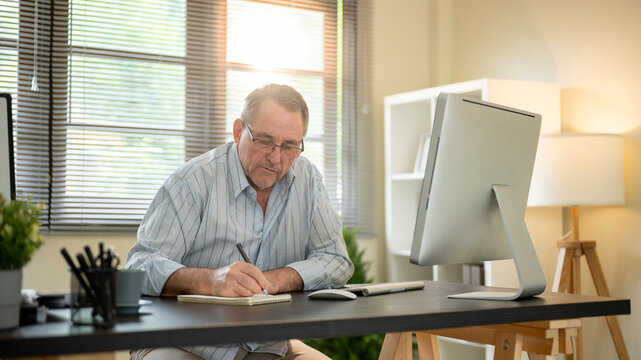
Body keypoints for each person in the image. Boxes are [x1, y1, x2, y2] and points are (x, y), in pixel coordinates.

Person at [125, 84, 354, 360]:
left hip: (265, 344)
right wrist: (210, 280)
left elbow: (336, 259)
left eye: (290, 146)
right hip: (181, 339)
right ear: (238, 131)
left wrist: (276, 280)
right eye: (265, 140)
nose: (276, 157)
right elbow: (141, 266)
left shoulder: (308, 181)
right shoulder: (191, 181)